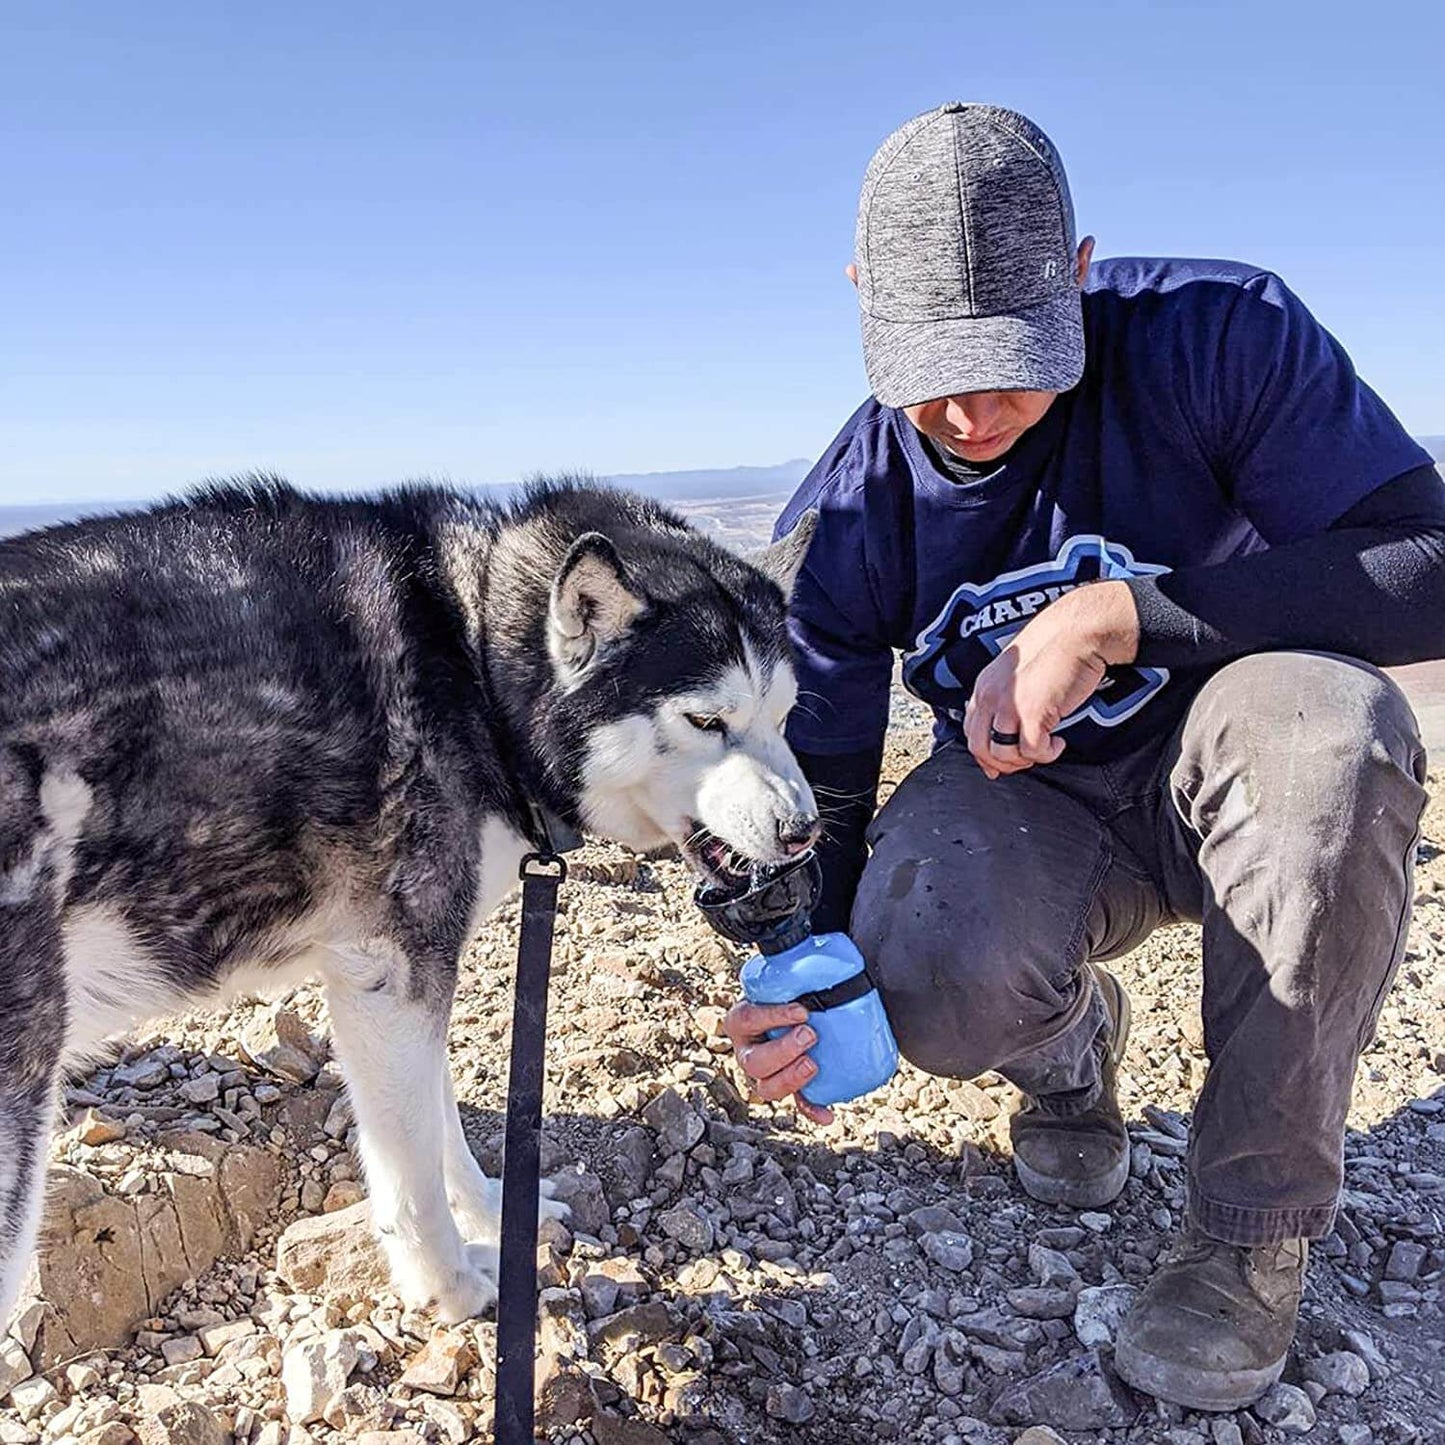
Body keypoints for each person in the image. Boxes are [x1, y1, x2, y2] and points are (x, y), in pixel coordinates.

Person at [722, 101, 1445, 1412]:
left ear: (1075, 273)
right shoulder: (846, 513)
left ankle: (1244, 1233)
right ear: (856, 300)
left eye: (1008, 353)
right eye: (925, 359)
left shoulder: (1215, 337)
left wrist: (1120, 620)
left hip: (1250, 758)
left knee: (1324, 741)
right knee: (918, 966)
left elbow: (1428, 569)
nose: (967, 403)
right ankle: (1068, 1054)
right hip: (1041, 803)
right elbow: (816, 780)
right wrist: (802, 978)